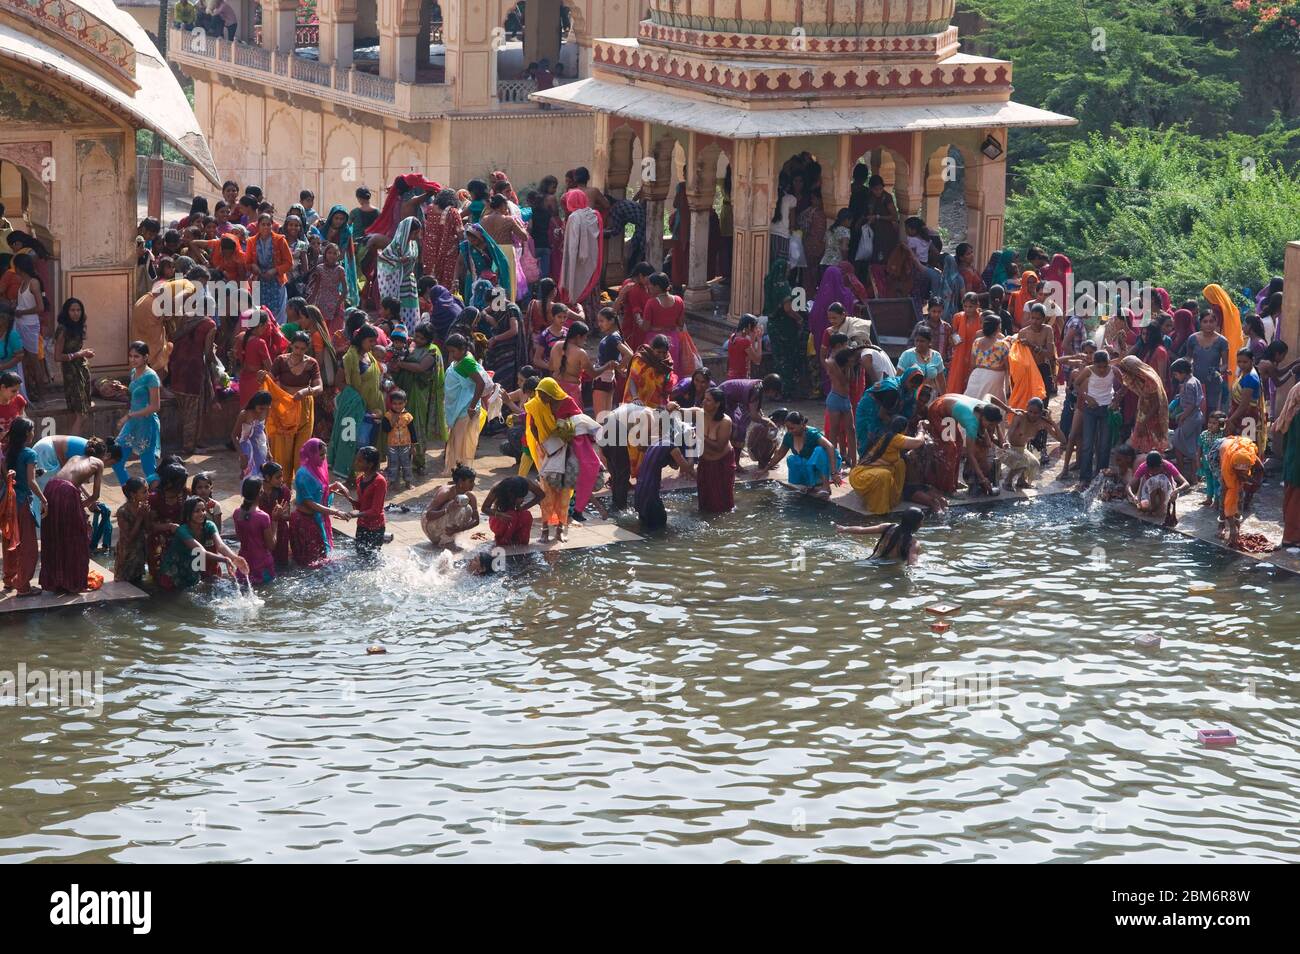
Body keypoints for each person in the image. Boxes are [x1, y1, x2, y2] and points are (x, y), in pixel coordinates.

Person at [329, 323, 385, 480]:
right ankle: (348, 475)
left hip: (371, 409)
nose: (373, 344)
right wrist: (356, 399)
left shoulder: (370, 357)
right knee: (349, 441)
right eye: (370, 341)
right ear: (361, 340)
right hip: (353, 408)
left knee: (366, 443)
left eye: (375, 341)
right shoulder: (349, 358)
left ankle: (365, 476)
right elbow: (339, 382)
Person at [158, 495, 248, 590]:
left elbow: (220, 545)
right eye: (197, 511)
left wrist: (234, 558)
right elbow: (201, 551)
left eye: (203, 510)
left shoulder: (209, 525)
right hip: (176, 567)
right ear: (188, 514)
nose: (202, 513)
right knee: (172, 595)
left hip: (194, 565)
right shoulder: (182, 530)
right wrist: (224, 559)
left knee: (197, 589)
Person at [265, 330, 322, 473]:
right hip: (285, 407)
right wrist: (263, 377)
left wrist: (305, 391)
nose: (299, 351)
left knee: (301, 448)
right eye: (296, 347)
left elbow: (319, 387)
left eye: (303, 349)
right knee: (283, 448)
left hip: (304, 408)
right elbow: (269, 380)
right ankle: (282, 483)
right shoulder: (281, 361)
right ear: (291, 345)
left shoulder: (311, 363)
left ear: (307, 348)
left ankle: (301, 483)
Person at [291, 437, 353, 567]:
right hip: (305, 521)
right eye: (320, 455)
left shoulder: (318, 469)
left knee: (320, 557)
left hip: (316, 518)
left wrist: (335, 486)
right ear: (311, 454)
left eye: (325, 454)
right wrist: (336, 511)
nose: (324, 458)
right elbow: (309, 502)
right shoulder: (303, 474)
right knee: (310, 561)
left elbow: (319, 491)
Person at [0, 417, 45, 595]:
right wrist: (44, 499)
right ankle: (24, 586)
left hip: (5, 503)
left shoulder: (5, 450)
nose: (34, 433)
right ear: (27, 433)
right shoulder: (29, 453)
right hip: (20, 503)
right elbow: (31, 481)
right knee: (28, 546)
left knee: (9, 541)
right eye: (32, 430)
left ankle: (9, 579)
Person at [847, 415, 927, 514]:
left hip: (872, 471)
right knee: (884, 475)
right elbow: (918, 442)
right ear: (904, 428)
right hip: (861, 475)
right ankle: (879, 511)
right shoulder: (895, 438)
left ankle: (892, 500)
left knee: (900, 463)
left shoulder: (889, 435)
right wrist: (921, 430)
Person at [926, 393, 1002, 495]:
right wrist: (983, 479)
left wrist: (1008, 409)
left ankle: (953, 481)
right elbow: (970, 455)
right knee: (951, 448)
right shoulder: (972, 424)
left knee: (959, 444)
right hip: (938, 410)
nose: (991, 427)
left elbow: (990, 396)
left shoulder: (986, 407)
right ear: (983, 417)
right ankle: (948, 489)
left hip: (948, 404)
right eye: (990, 424)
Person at [113, 341, 162, 486]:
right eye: (131, 356)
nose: (133, 359)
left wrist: (129, 416)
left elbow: (155, 406)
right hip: (133, 422)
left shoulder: (151, 377)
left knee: (148, 468)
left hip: (147, 424)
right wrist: (122, 388)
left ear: (146, 357)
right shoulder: (134, 372)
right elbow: (137, 394)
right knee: (117, 461)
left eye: (137, 356)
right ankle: (131, 494)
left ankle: (156, 496)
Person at [764, 410, 841, 497]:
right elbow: (780, 454)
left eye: (792, 428)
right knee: (792, 460)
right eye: (788, 428)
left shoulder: (812, 434)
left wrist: (834, 472)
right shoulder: (789, 436)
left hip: (829, 464)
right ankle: (811, 484)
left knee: (819, 451)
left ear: (802, 425)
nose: (789, 431)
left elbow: (830, 447)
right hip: (812, 466)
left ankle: (826, 486)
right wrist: (766, 469)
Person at [993, 397, 1064, 490]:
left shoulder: (1042, 422)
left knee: (1034, 463)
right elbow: (1010, 433)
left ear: (1041, 412)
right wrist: (1006, 444)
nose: (1032, 415)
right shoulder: (1020, 416)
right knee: (1023, 462)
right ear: (1027, 409)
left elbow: (1063, 440)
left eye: (1036, 413)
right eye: (1030, 412)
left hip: (1021, 450)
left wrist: (1052, 422)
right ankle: (1007, 481)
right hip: (1007, 449)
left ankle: (1021, 481)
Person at [442, 333, 486, 476]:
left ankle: (461, 474)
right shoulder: (461, 359)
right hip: (459, 408)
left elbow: (480, 383)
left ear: (462, 349)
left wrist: (472, 406)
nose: (451, 354)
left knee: (461, 444)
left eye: (453, 351)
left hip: (465, 409)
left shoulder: (466, 362)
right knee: (456, 441)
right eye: (449, 351)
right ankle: (458, 473)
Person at [332, 445, 387, 560]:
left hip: (375, 528)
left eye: (360, 460)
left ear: (370, 464)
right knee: (361, 556)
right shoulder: (360, 479)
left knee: (372, 559)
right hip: (362, 526)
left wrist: (354, 514)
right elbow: (361, 506)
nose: (356, 462)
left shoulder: (380, 481)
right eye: (357, 459)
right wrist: (348, 497)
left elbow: (376, 510)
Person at [634, 432, 695, 530]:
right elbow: (687, 468)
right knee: (660, 528)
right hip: (650, 494)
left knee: (645, 527)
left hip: (639, 492)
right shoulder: (673, 447)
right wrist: (691, 448)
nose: (676, 468)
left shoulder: (657, 443)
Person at [1075, 349, 1117, 490]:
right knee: (1088, 444)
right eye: (1098, 366)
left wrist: (1117, 399)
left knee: (1104, 445)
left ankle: (1101, 476)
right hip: (1090, 409)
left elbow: (1125, 386)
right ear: (1094, 364)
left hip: (1107, 409)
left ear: (1108, 363)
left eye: (1104, 366)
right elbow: (1076, 384)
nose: (1101, 369)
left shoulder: (1113, 370)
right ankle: (1084, 478)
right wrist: (1086, 397)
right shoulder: (1088, 370)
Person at [52, 298, 93, 433]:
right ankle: (74, 447)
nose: (76, 313)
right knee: (81, 413)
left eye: (78, 310)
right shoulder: (63, 330)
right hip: (71, 374)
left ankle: (68, 444)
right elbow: (57, 357)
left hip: (82, 370)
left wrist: (84, 354)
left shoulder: (79, 327)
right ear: (66, 312)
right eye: (72, 310)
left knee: (75, 413)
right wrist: (79, 354)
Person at [834, 505, 925, 564]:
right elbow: (913, 564)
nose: (922, 524)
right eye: (921, 522)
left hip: (871, 560)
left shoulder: (888, 527)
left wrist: (844, 529)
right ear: (917, 524)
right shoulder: (913, 544)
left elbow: (862, 530)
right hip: (886, 571)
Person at [1115, 354, 1168, 455]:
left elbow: (1156, 404)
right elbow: (1126, 385)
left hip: (1153, 415)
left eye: (1125, 372)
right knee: (1139, 440)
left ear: (1132, 370)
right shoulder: (1137, 377)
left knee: (1151, 443)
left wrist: (1144, 421)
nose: (1125, 375)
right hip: (1144, 412)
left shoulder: (1150, 380)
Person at [232, 476, 279, 585]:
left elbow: (239, 537)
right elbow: (271, 545)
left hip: (244, 563)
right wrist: (275, 521)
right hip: (262, 565)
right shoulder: (263, 517)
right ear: (260, 493)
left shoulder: (237, 513)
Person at [1218, 434, 1263, 548]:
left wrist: (1253, 484)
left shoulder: (1251, 456)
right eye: (1240, 472)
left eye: (1245, 471)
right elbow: (1229, 499)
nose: (1243, 474)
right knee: (1226, 493)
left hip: (1240, 447)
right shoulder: (1227, 468)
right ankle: (1221, 524)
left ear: (1249, 467)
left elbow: (1260, 470)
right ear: (1234, 468)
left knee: (1240, 493)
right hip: (1220, 451)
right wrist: (1232, 528)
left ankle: (1237, 521)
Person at [421, 464, 481, 550]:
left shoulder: (471, 496)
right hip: (430, 526)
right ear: (461, 482)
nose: (473, 484)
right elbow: (428, 515)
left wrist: (459, 529)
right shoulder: (446, 492)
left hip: (447, 529)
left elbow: (476, 520)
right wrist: (447, 509)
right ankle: (446, 541)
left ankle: (447, 539)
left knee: (468, 509)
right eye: (471, 481)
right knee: (458, 507)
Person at [696, 388, 735, 514]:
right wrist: (673, 407)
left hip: (722, 463)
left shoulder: (725, 421)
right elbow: (683, 411)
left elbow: (719, 446)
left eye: (708, 400)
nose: (703, 402)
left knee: (722, 504)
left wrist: (701, 436)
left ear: (717, 404)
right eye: (704, 398)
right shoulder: (700, 413)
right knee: (704, 500)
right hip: (705, 462)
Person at [1183, 309, 1228, 414]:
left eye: (1211, 321)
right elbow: (1188, 358)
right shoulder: (1192, 339)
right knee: (1195, 410)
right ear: (1200, 323)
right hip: (1195, 382)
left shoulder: (1222, 341)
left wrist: (1217, 371)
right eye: (1205, 321)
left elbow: (1225, 364)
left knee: (1212, 412)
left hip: (1213, 382)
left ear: (1216, 323)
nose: (1208, 324)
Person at [1167, 357, 1204, 478]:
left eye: (1176, 375)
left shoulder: (1188, 384)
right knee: (1194, 445)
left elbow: (1191, 405)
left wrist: (1181, 416)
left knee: (1177, 442)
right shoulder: (1195, 380)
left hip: (1190, 417)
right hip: (1197, 416)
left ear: (1182, 372)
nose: (1176, 377)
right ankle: (1194, 475)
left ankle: (1182, 474)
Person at [482, 475, 543, 546]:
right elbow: (484, 508)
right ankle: (503, 540)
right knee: (511, 515)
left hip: (515, 515)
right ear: (510, 492)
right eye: (519, 497)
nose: (522, 500)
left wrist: (524, 507)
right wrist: (499, 515)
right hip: (500, 518)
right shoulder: (498, 487)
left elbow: (541, 495)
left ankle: (521, 541)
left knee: (527, 515)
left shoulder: (526, 483)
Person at [1132, 451, 1189, 526]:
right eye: (1151, 471)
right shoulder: (1144, 467)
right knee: (1144, 508)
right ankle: (1152, 506)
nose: (1153, 473)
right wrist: (1133, 496)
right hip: (1149, 493)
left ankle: (1161, 507)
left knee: (1159, 479)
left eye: (1156, 470)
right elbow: (1129, 485)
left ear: (1161, 465)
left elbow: (1186, 483)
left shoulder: (1168, 466)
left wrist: (1177, 490)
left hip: (1166, 494)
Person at [114, 476, 153, 585]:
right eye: (144, 492)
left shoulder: (143, 507)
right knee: (123, 583)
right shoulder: (122, 512)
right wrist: (140, 517)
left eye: (148, 490)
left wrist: (146, 516)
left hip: (140, 551)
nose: (148, 494)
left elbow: (148, 529)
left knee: (138, 582)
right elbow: (129, 539)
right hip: (126, 554)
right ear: (133, 494)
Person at [964, 314, 1011, 401]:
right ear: (998, 328)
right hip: (994, 377)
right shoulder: (1002, 345)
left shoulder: (976, 342)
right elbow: (1008, 367)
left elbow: (973, 364)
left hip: (976, 376)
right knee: (991, 406)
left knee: (973, 404)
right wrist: (1008, 386)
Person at [232, 389, 272, 481]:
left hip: (260, 446)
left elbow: (264, 429)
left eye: (266, 408)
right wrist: (241, 455)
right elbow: (234, 436)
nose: (263, 411)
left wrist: (269, 449)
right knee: (249, 476)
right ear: (255, 404)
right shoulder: (244, 414)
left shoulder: (266, 411)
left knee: (262, 475)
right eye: (261, 408)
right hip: (246, 448)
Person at [626, 335, 676, 407]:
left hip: (657, 404)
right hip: (637, 401)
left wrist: (665, 403)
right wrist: (635, 398)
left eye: (664, 353)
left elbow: (667, 384)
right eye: (658, 352)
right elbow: (632, 379)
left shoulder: (668, 363)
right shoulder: (641, 359)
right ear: (652, 349)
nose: (661, 355)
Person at [382, 389, 418, 489]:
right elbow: (386, 429)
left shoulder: (408, 416)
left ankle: (408, 482)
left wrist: (413, 446)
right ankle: (392, 481)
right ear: (391, 403)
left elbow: (413, 432)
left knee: (407, 464)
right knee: (393, 464)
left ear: (405, 403)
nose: (397, 406)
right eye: (395, 404)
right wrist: (394, 419)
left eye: (400, 403)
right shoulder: (387, 416)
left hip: (405, 445)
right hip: (392, 445)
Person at [1197, 411, 1228, 508]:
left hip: (1217, 465)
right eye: (1209, 422)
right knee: (1208, 482)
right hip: (1206, 463)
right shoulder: (1204, 434)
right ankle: (1209, 498)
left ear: (1221, 425)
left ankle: (1217, 501)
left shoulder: (1222, 436)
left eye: (1214, 423)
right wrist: (1198, 461)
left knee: (1217, 482)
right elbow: (1199, 449)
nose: (1211, 425)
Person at [726, 314, 763, 381]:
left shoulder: (733, 336)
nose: (755, 329)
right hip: (741, 378)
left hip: (731, 377)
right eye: (754, 327)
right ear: (749, 326)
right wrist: (759, 339)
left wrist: (753, 338)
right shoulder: (744, 341)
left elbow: (749, 356)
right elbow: (757, 360)